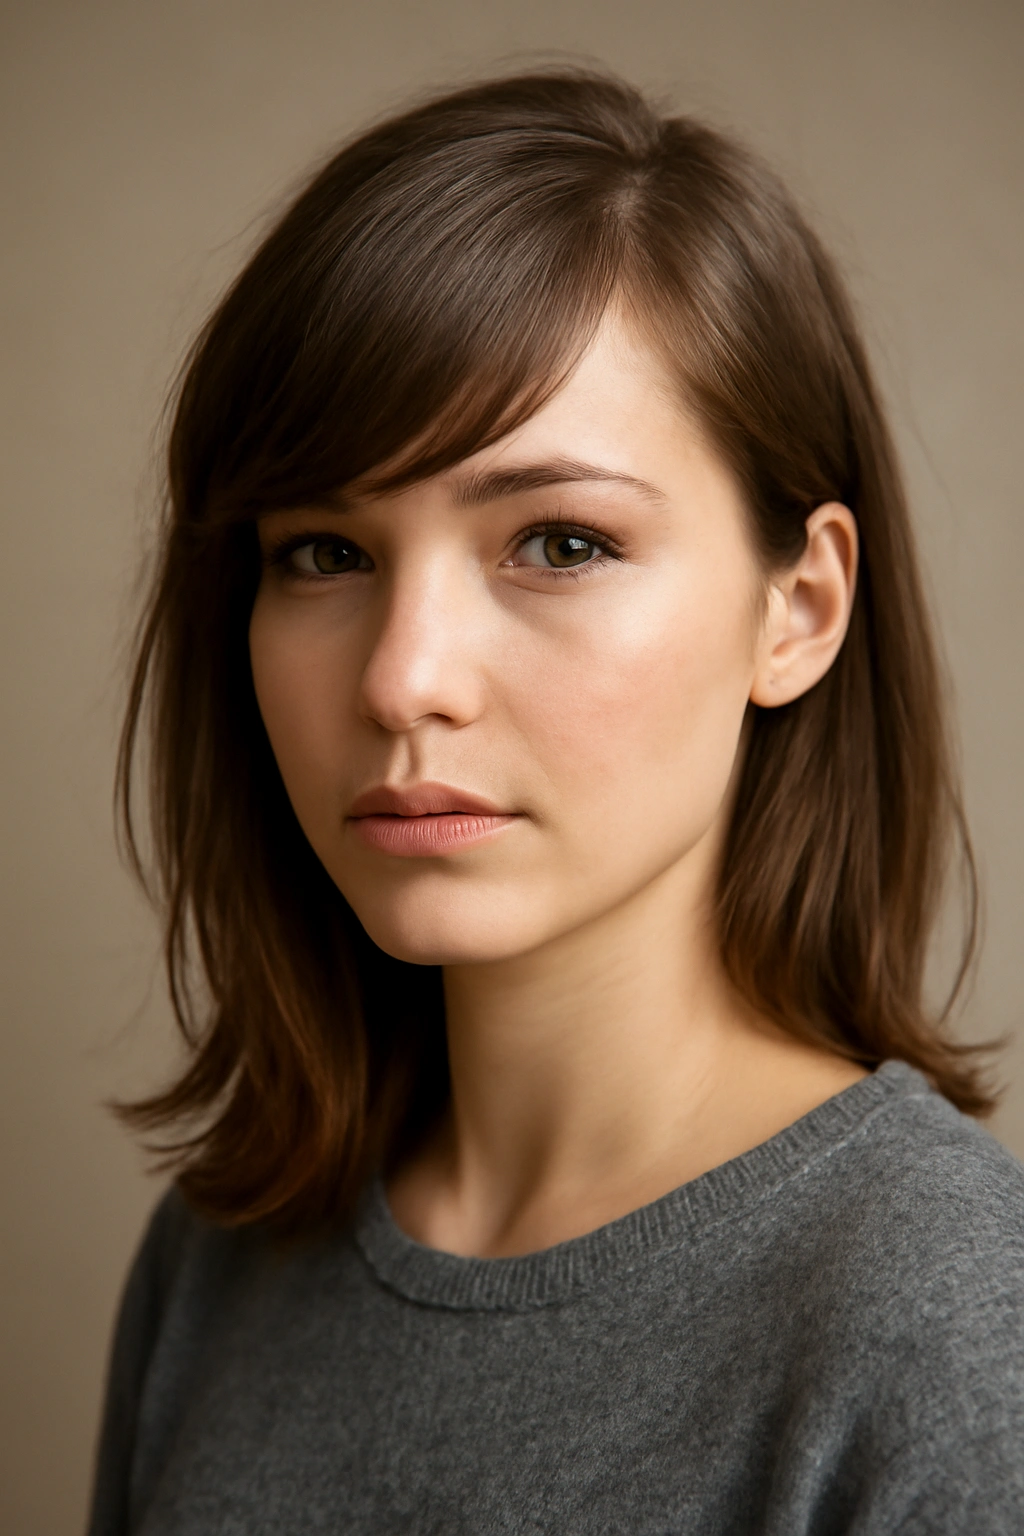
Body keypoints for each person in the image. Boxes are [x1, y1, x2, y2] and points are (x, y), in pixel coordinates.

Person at [87, 70, 1024, 1535]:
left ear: (801, 607)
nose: (404, 681)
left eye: (561, 542)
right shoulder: (218, 1263)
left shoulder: (947, 1316)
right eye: (323, 554)